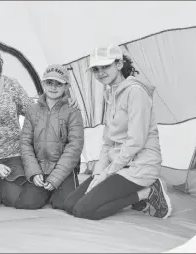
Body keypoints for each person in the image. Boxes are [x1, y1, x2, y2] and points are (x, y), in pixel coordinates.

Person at [0, 40, 79, 209]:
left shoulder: (11, 85)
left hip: (14, 153)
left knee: (15, 199)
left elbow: (35, 113)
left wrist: (64, 101)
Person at [64, 44, 172, 220]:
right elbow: (108, 142)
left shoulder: (136, 92)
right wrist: (98, 172)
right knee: (70, 204)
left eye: (105, 66)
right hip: (118, 165)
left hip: (139, 166)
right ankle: (131, 193)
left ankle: (147, 192)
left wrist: (107, 173)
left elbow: (136, 141)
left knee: (83, 210)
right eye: (96, 69)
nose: (100, 73)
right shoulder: (110, 96)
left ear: (119, 64)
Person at [14, 64, 84, 210]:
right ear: (43, 83)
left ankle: (59, 189)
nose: (53, 87)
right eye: (49, 82)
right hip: (39, 168)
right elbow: (25, 143)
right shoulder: (32, 110)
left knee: (64, 204)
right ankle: (45, 191)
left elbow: (74, 146)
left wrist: (56, 177)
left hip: (63, 170)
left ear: (66, 86)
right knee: (26, 203)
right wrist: (34, 172)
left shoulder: (73, 111)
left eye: (58, 83)